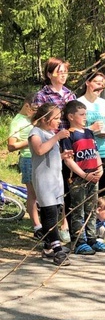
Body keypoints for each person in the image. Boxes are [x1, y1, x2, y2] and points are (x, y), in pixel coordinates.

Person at [33, 57, 75, 242]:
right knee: (50, 184)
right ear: (49, 74)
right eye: (59, 71)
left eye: (65, 71)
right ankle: (51, 232)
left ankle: (66, 224)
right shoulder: (42, 95)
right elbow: (38, 121)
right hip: (49, 141)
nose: (63, 75)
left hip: (68, 140)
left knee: (66, 183)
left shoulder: (69, 94)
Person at [61, 100, 105, 255]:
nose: (85, 117)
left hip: (93, 175)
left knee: (91, 209)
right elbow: (68, 160)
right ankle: (78, 241)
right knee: (78, 210)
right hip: (78, 178)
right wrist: (83, 175)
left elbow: (95, 153)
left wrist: (100, 168)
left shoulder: (89, 133)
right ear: (70, 116)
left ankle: (91, 239)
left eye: (86, 114)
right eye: (81, 114)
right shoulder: (68, 136)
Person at [28, 103, 71, 267]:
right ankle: (57, 249)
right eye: (56, 118)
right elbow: (39, 151)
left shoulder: (50, 133)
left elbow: (49, 156)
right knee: (50, 213)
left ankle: (47, 246)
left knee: (56, 210)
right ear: (45, 119)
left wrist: (62, 156)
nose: (59, 122)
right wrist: (57, 137)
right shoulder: (36, 133)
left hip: (55, 179)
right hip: (44, 180)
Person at [78, 71, 105, 198]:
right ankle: (87, 217)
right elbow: (73, 130)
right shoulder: (79, 103)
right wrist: (91, 129)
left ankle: (101, 217)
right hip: (87, 152)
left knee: (104, 190)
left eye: (103, 84)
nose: (100, 86)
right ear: (87, 83)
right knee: (87, 190)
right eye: (97, 83)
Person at [8, 93, 41, 238]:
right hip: (28, 158)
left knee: (43, 193)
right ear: (26, 106)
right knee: (32, 194)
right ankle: (37, 226)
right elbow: (11, 145)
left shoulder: (33, 119)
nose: (36, 113)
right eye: (34, 109)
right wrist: (31, 141)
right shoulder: (18, 122)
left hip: (41, 157)